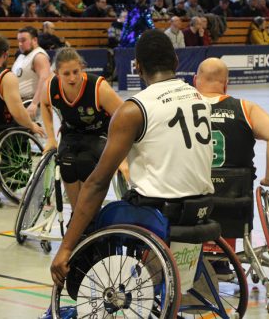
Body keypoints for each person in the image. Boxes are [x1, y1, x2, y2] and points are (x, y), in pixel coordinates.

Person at [50, 29, 214, 286]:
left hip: (160, 210)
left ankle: (80, 300)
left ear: (137, 67)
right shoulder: (199, 97)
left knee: (91, 223)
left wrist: (65, 247)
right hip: (202, 206)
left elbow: (96, 184)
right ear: (176, 61)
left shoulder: (134, 109)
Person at [41, 48, 123, 210]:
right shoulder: (51, 87)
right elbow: (44, 104)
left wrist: (123, 156)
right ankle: (77, 212)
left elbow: (123, 116)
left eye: (75, 72)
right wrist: (50, 137)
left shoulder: (99, 87)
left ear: (82, 67)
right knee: (67, 164)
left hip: (99, 132)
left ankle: (89, 213)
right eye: (66, 74)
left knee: (85, 163)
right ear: (57, 73)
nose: (72, 78)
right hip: (71, 132)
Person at [193, 58, 269, 198]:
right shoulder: (246, 108)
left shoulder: (181, 109)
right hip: (236, 196)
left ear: (195, 80)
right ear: (226, 84)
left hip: (193, 194)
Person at [12, 26, 51, 119]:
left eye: (23, 40)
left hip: (32, 105)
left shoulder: (39, 56)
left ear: (34, 40)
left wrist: (34, 103)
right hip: (20, 104)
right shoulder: (21, 56)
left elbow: (45, 80)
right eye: (19, 41)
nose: (20, 44)